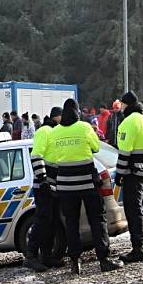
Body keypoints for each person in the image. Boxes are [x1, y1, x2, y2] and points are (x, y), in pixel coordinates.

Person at [36, 100, 123, 274]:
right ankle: (104, 260)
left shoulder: (55, 132)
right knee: (97, 220)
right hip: (87, 184)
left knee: (71, 223)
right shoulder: (84, 128)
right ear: (77, 113)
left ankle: (75, 262)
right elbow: (96, 147)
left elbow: (52, 158)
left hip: (65, 186)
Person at [115, 90, 143, 263]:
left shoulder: (129, 121)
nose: (121, 107)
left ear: (127, 104)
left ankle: (138, 248)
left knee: (134, 209)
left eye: (122, 104)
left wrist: (119, 174)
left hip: (134, 172)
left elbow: (125, 152)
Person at [24, 109, 61, 272]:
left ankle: (47, 256)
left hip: (54, 186)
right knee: (42, 221)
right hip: (44, 186)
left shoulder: (54, 131)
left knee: (51, 222)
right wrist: (43, 179)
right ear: (56, 117)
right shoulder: (44, 131)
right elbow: (36, 155)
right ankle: (31, 256)